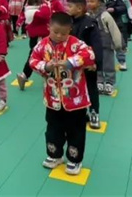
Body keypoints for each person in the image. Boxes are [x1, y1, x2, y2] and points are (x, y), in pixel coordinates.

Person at [30, 12, 96, 176]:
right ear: (48, 28)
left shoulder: (76, 44)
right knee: (53, 128)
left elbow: (90, 55)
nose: (59, 36)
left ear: (70, 30)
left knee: (76, 131)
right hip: (52, 99)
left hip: (76, 100)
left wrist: (69, 62)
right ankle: (55, 155)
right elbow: (32, 61)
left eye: (64, 33)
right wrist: (45, 66)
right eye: (55, 32)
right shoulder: (41, 46)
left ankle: (75, 160)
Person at [66, 0, 103, 130]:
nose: (67, 8)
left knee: (91, 88)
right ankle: (79, 112)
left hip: (87, 65)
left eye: (70, 6)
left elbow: (97, 45)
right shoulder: (68, 22)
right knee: (74, 88)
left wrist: (96, 63)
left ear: (80, 8)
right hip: (73, 65)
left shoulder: (90, 24)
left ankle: (94, 113)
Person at [86, 0, 122, 96]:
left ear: (99, 3)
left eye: (92, 1)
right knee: (97, 64)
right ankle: (99, 81)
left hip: (106, 44)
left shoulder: (105, 15)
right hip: (93, 45)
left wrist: (117, 44)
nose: (89, 4)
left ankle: (110, 82)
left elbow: (114, 29)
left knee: (108, 64)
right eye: (88, 1)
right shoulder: (87, 15)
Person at [17, 0, 51, 91]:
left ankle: (25, 75)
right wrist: (45, 4)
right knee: (35, 56)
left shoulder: (31, 9)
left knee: (40, 55)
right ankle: (25, 75)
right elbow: (45, 14)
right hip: (39, 37)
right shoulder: (32, 12)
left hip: (41, 36)